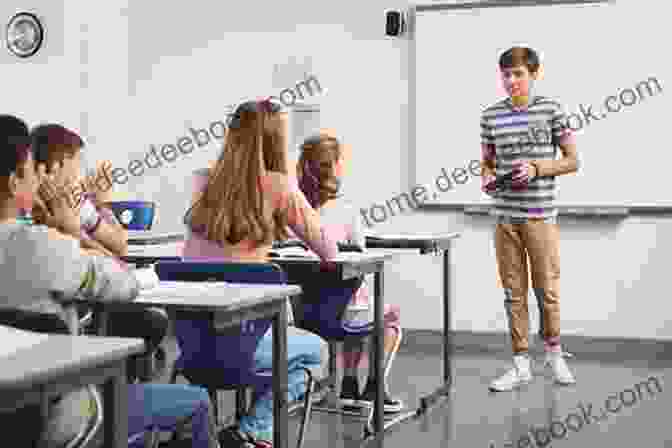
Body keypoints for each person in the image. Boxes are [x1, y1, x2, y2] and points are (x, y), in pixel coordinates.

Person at [0, 114, 221, 447]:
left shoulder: (54, 229)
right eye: (32, 170)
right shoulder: (44, 247)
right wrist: (68, 231)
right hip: (55, 420)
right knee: (197, 401)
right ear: (17, 180)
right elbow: (125, 281)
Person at [183, 99, 333, 447]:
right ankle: (254, 428)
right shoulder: (279, 185)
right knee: (316, 352)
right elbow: (329, 249)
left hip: (193, 348)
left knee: (276, 334)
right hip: (245, 346)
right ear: (275, 141)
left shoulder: (202, 181)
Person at [29, 123, 168, 383]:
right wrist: (74, 231)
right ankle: (117, 395)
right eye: (77, 164)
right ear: (57, 165)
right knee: (150, 321)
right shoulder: (39, 212)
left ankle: (121, 390)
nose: (81, 174)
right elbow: (115, 268)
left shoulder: (75, 201)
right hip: (73, 313)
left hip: (75, 303)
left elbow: (119, 246)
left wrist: (100, 202)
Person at [480, 47, 580, 391]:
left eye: (518, 74)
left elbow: (572, 160)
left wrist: (537, 168)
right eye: (506, 74)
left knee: (547, 291)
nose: (511, 81)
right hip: (504, 217)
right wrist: (487, 177)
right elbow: (487, 162)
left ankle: (554, 356)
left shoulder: (552, 110)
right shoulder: (490, 116)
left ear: (533, 74)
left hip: (540, 216)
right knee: (513, 293)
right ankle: (520, 364)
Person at [296, 132, 404, 412]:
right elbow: (358, 256)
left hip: (301, 318)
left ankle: (347, 386)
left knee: (354, 302)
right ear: (331, 166)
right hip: (341, 316)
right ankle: (373, 387)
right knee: (387, 315)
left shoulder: (290, 208)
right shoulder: (344, 208)